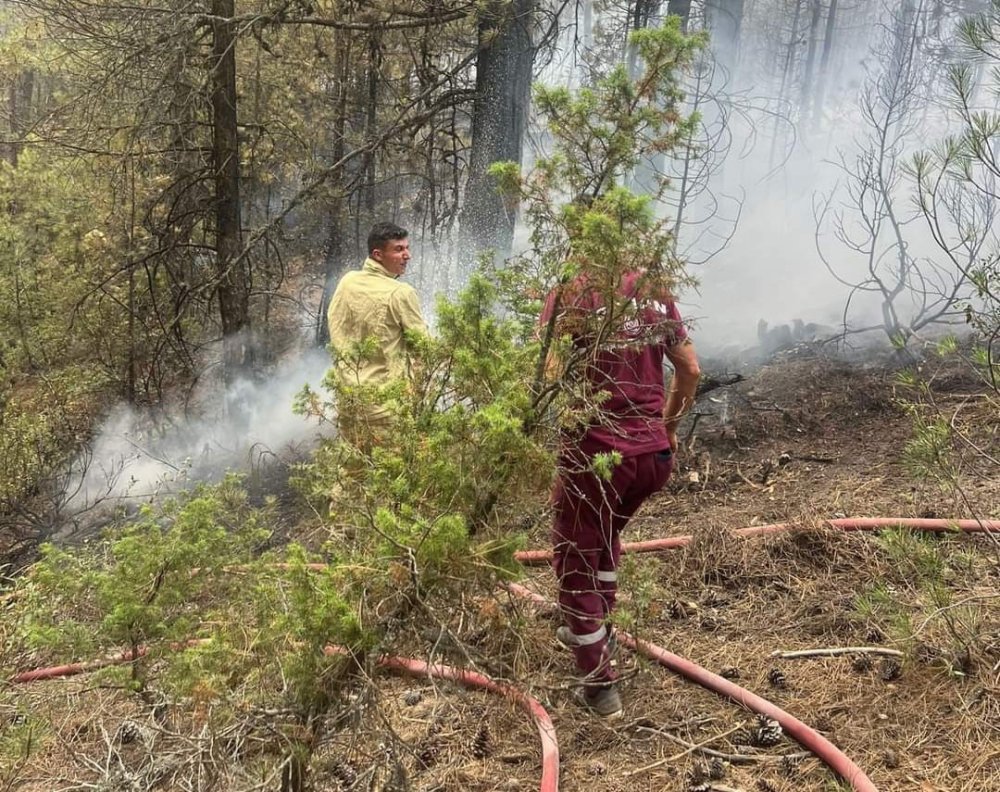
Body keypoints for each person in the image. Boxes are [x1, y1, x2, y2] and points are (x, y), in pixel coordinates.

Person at [541, 268, 701, 718]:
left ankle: (599, 685)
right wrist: (666, 428)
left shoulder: (571, 289)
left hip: (597, 455)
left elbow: (551, 379)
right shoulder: (655, 291)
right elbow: (690, 368)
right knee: (604, 533)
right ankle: (597, 629)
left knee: (573, 557)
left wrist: (560, 453)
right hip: (651, 458)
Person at [327, 222, 428, 445]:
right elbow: (424, 350)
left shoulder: (347, 282)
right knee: (393, 474)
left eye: (407, 248)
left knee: (352, 474)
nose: (407, 255)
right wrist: (417, 396)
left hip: (349, 402)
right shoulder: (401, 293)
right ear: (377, 254)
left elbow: (335, 327)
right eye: (399, 249)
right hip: (386, 408)